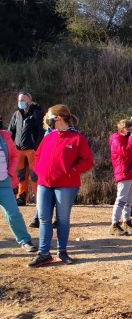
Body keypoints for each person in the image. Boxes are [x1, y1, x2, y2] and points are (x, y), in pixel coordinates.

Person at [29, 105, 94, 267]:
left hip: (66, 184)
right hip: (44, 183)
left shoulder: (77, 138)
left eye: (50, 117)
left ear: (59, 118)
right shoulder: (49, 137)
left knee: (62, 219)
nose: (47, 120)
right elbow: (37, 156)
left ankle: (62, 251)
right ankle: (44, 254)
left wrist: (72, 171)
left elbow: (87, 161)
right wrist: (39, 171)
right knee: (44, 218)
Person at [0, 127, 36, 252]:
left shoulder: (4, 137)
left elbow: (14, 156)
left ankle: (25, 241)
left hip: (4, 182)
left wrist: (10, 174)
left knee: (13, 214)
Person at [8, 91, 44, 207]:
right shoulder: (16, 114)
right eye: (19, 100)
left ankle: (39, 198)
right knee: (21, 175)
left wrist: (36, 147)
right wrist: (11, 146)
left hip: (32, 150)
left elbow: (41, 132)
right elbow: (11, 131)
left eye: (23, 100)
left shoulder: (37, 113)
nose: (21, 102)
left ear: (29, 101)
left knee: (35, 175)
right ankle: (21, 197)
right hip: (18, 150)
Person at [109, 120, 132, 236]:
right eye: (130, 129)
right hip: (124, 172)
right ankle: (114, 223)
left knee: (129, 199)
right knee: (121, 199)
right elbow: (125, 153)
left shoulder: (129, 139)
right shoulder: (116, 139)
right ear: (123, 129)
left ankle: (126, 221)